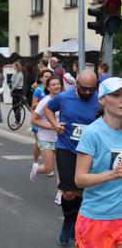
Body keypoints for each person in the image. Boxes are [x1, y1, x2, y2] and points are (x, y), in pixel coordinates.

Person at [45, 69, 99, 246]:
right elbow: (48, 109)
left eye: (92, 89)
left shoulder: (100, 100)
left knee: (82, 191)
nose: (88, 92)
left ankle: (77, 223)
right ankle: (69, 222)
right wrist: (54, 125)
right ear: (76, 84)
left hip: (90, 152)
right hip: (66, 148)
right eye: (85, 89)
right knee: (69, 192)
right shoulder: (64, 97)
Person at [75, 77, 122, 248]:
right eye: (116, 95)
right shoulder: (92, 133)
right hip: (97, 218)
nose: (121, 100)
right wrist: (112, 174)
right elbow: (79, 179)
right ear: (102, 100)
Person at [30, 76, 63, 204]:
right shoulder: (45, 101)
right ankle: (37, 169)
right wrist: (51, 125)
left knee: (62, 167)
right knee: (49, 168)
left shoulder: (64, 100)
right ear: (48, 87)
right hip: (46, 137)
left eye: (58, 84)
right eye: (53, 85)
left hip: (61, 138)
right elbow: (33, 120)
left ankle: (59, 193)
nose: (56, 86)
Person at [31, 69, 53, 174]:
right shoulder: (38, 90)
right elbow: (33, 105)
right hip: (39, 121)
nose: (48, 78)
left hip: (52, 124)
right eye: (46, 76)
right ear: (41, 78)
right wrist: (43, 102)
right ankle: (35, 162)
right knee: (38, 143)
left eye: (50, 76)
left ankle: (49, 164)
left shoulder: (55, 91)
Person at [10, 61, 24, 126]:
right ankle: (17, 120)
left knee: (17, 107)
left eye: (13, 65)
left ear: (16, 66)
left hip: (18, 90)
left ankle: (18, 121)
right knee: (14, 106)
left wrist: (11, 90)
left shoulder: (20, 74)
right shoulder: (15, 73)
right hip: (15, 90)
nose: (12, 66)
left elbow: (16, 84)